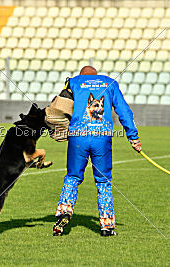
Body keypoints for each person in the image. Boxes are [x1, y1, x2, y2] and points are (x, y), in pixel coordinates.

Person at [52, 66, 142, 237]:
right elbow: (124, 111)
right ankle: (107, 226)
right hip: (102, 137)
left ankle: (64, 211)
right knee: (103, 181)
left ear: (81, 75)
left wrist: (57, 128)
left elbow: (59, 107)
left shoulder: (73, 82)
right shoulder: (110, 83)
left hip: (78, 136)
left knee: (73, 176)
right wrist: (133, 137)